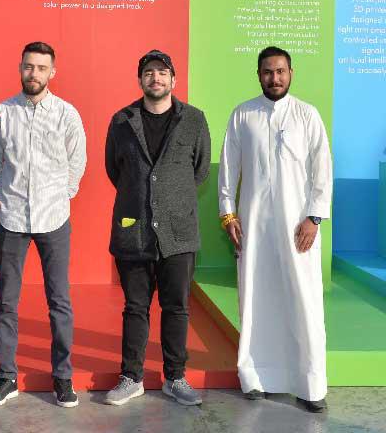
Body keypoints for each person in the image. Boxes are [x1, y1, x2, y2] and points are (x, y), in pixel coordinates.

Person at [218, 46, 332, 413]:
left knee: (304, 299)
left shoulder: (307, 115)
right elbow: (228, 170)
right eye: (268, 72)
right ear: (258, 75)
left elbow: (322, 170)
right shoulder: (243, 114)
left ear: (291, 73)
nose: (275, 78)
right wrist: (228, 214)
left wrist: (314, 218)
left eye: (281, 71)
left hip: (298, 228)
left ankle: (310, 385)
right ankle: (255, 377)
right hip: (253, 226)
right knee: (255, 296)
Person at [103, 50, 210, 408]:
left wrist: (170, 200)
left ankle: (175, 378)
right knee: (135, 307)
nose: (156, 78)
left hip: (179, 234)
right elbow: (114, 169)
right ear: (140, 80)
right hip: (134, 231)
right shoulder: (121, 121)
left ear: (173, 80)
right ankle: (131, 378)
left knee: (176, 307)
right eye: (149, 72)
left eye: (163, 73)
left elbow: (199, 171)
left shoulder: (194, 120)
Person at [0, 41, 87, 409]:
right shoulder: (1, 114)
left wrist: (61, 195)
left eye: (41, 68)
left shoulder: (67, 114)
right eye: (29, 66)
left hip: (54, 219)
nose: (34, 74)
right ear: (20, 68)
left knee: (59, 300)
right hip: (12, 218)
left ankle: (63, 377)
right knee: (5, 301)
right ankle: (6, 376)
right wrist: (7, 196)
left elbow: (77, 163)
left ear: (52, 72)